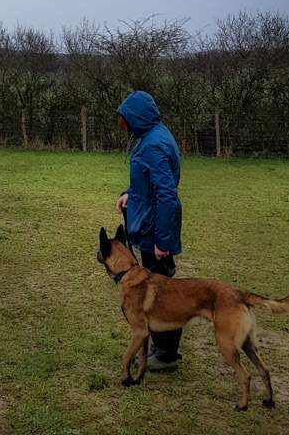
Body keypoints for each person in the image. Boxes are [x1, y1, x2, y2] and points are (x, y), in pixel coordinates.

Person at [115, 90, 183, 371]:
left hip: (155, 230)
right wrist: (130, 194)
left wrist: (163, 241)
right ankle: (161, 346)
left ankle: (166, 355)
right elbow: (150, 184)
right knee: (155, 288)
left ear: (137, 118)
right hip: (149, 223)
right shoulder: (153, 136)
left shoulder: (153, 145)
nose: (124, 127)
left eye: (126, 120)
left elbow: (167, 195)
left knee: (161, 292)